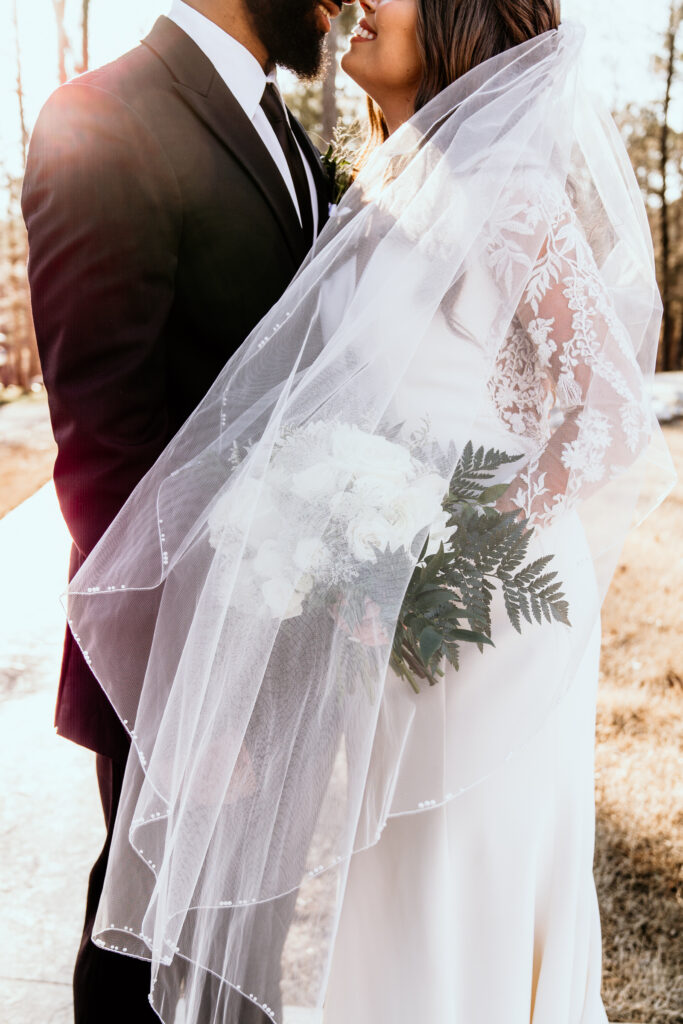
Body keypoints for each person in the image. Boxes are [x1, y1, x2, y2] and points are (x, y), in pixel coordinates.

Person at [42, 2, 676, 1024]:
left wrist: (453, 564)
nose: (357, 2)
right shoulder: (388, 185)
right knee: (392, 905)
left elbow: (605, 409)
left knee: (459, 895)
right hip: (393, 622)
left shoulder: (507, 194)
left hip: (479, 620)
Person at [21, 0, 342, 1020]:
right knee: (145, 953)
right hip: (180, 671)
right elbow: (103, 446)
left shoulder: (285, 132)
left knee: (240, 947)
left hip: (283, 660)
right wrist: (177, 698)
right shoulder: (102, 119)